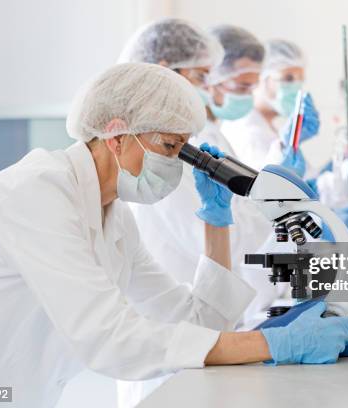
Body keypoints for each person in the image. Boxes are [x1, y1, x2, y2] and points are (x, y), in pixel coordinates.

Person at [0, 63, 348, 408]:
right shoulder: (37, 194)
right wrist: (271, 344)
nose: (176, 164)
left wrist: (217, 220)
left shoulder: (113, 217)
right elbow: (110, 340)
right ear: (117, 136)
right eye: (171, 147)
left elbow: (197, 321)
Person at [116, 20, 287, 405]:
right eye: (200, 76)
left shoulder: (190, 139)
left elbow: (214, 301)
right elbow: (214, 239)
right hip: (168, 348)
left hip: (195, 327)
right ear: (162, 70)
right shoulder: (159, 154)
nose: (208, 87)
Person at [221, 39, 348, 238]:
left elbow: (307, 185)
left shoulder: (270, 128)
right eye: (288, 78)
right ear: (261, 78)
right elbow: (275, 203)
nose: (296, 87)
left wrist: (337, 164)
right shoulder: (249, 133)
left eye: (300, 80)